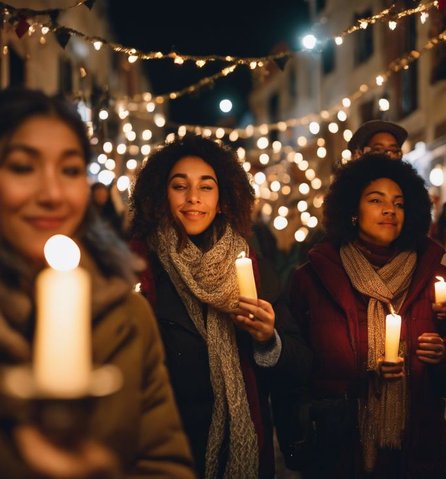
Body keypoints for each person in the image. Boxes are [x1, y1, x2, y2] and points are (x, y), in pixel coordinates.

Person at [0, 87, 195, 478]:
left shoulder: (127, 316)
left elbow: (166, 463)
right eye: (23, 167)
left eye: (71, 170)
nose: (53, 194)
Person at [128, 134, 310, 479]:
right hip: (163, 446)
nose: (193, 198)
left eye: (206, 187)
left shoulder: (251, 266)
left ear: (223, 198)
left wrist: (268, 340)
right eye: (180, 186)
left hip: (238, 445)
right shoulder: (138, 264)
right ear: (160, 196)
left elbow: (299, 366)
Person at [288, 153, 446, 478]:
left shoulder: (435, 279)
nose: (390, 209)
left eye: (399, 203)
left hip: (418, 454)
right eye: (376, 200)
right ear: (352, 211)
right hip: (340, 454)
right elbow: (295, 374)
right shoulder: (313, 279)